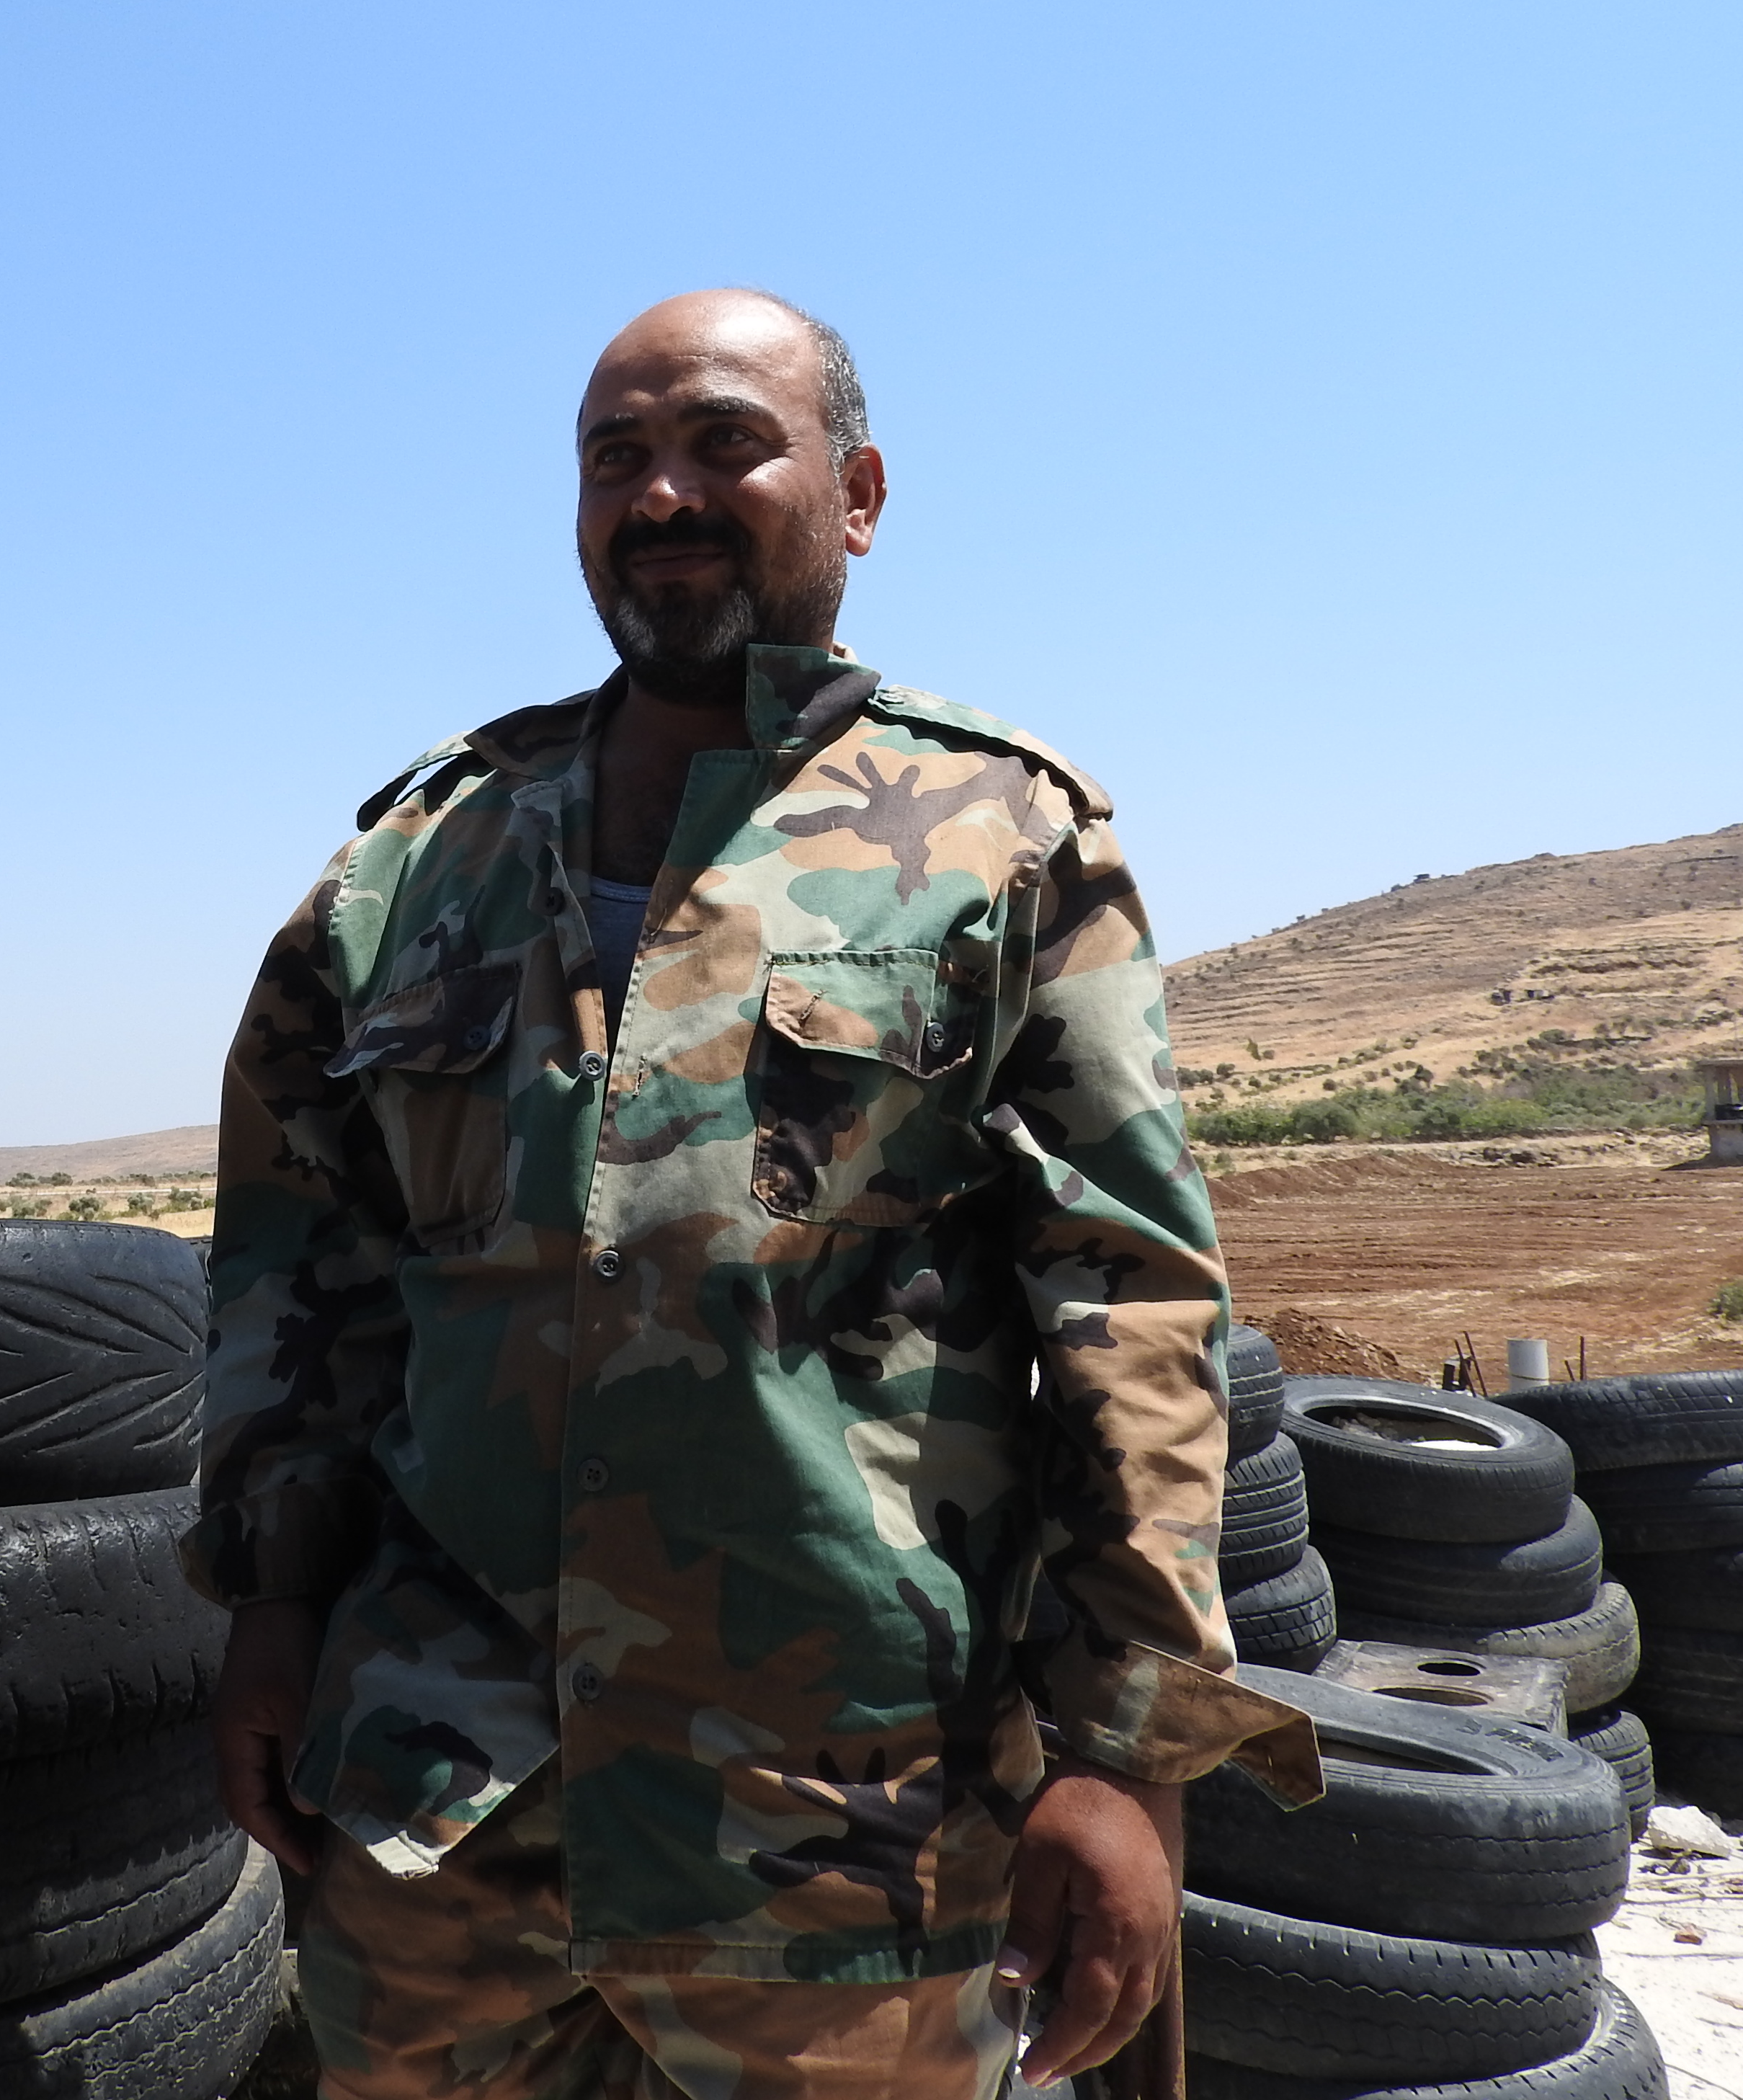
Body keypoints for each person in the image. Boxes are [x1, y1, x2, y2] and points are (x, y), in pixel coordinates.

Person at [182, 290, 1316, 2100]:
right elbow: (299, 1268)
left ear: (856, 495)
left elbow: (1132, 1308)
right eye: (615, 458)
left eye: (724, 443)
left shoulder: (1000, 835)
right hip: (440, 1809)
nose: (661, 496)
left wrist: (1131, 1758)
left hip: (846, 1830)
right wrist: (270, 1609)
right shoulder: (417, 856)